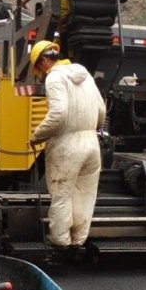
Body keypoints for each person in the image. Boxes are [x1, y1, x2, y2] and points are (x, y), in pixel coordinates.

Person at [27, 40, 106, 258]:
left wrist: (36, 136)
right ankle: (78, 240)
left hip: (67, 145)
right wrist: (90, 128)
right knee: (84, 194)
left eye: (38, 68)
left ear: (44, 60)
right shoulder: (86, 75)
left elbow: (58, 114)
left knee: (62, 194)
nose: (41, 74)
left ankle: (61, 241)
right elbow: (101, 110)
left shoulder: (55, 77)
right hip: (92, 144)